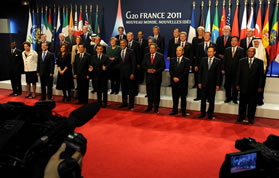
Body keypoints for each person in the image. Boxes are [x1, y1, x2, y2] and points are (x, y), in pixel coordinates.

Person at [236, 47, 264, 124]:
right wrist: (237, 84)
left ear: (254, 53)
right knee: (242, 103)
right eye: (249, 51)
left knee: (252, 104)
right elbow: (238, 73)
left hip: (254, 87)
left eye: (252, 52)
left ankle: (251, 118)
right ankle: (241, 117)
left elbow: (261, 76)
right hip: (243, 86)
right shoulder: (241, 61)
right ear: (247, 52)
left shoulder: (259, 62)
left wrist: (260, 86)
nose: (250, 53)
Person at [198, 46, 221, 119]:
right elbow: (200, 72)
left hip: (212, 84)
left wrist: (218, 84)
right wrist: (199, 82)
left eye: (211, 51)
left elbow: (218, 74)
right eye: (208, 51)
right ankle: (202, 113)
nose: (209, 53)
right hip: (204, 83)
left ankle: (210, 114)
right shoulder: (203, 60)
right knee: (203, 99)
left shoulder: (218, 61)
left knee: (211, 100)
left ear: (214, 52)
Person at [142, 43, 166, 113]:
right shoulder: (146, 56)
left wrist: (156, 71)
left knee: (156, 93)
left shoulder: (160, 56)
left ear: (156, 49)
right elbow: (143, 65)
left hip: (156, 78)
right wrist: (147, 70)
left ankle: (156, 108)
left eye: (153, 48)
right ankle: (149, 106)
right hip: (148, 78)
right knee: (149, 93)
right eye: (150, 48)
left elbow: (163, 66)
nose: (151, 49)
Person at [194, 32, 217, 101]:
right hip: (201, 66)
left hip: (210, 66)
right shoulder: (199, 45)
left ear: (210, 37)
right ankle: (199, 96)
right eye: (205, 35)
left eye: (207, 36)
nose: (206, 37)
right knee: (200, 80)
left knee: (208, 82)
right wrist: (196, 65)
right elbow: (196, 56)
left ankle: (208, 97)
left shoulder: (214, 45)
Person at [169, 46, 191, 116]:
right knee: (175, 97)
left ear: (183, 52)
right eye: (177, 50)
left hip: (182, 82)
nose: (178, 52)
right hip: (174, 82)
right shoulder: (172, 60)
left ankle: (183, 111)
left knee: (183, 98)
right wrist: (173, 77)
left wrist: (179, 78)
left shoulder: (187, 60)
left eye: (179, 50)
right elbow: (170, 70)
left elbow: (186, 71)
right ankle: (174, 110)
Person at [222, 36, 245, 104]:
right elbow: (224, 60)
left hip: (237, 71)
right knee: (227, 85)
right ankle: (228, 98)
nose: (233, 42)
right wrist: (223, 68)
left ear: (238, 42)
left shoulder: (241, 50)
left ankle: (235, 98)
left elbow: (242, 61)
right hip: (228, 70)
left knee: (235, 85)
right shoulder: (227, 50)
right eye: (232, 41)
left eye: (235, 41)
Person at [118, 39, 136, 110]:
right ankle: (124, 103)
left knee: (131, 90)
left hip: (129, 74)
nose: (122, 44)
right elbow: (119, 63)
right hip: (122, 74)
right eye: (120, 43)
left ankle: (131, 105)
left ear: (126, 44)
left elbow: (133, 63)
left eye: (123, 43)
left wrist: (133, 73)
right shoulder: (119, 51)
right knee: (123, 89)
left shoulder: (131, 51)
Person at [251, 38, 269, 106]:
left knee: (260, 87)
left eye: (257, 42)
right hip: (252, 73)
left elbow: (266, 61)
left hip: (261, 73)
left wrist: (264, 69)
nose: (256, 44)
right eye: (254, 42)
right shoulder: (251, 50)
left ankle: (259, 100)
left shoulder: (263, 50)